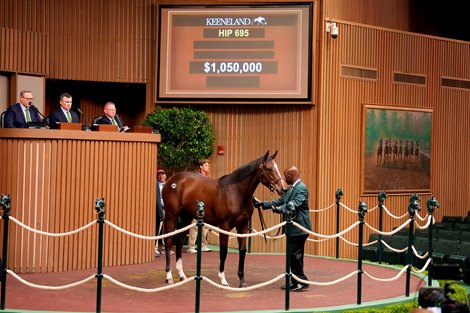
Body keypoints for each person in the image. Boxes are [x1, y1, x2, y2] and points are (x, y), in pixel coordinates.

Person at [254, 166, 312, 292]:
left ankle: (301, 281)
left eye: (286, 176)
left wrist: (279, 209)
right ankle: (296, 281)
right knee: (294, 256)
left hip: (299, 228)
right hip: (293, 228)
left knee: (294, 255)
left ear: (292, 175)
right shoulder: (291, 188)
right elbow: (281, 201)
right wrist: (262, 204)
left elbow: (294, 204)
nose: (284, 178)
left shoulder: (301, 188)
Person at [187, 159, 212, 254]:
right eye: (206, 165)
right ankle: (191, 246)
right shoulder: (197, 177)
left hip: (206, 205)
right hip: (197, 205)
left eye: (208, 165)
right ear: (201, 167)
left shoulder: (208, 178)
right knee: (194, 226)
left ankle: (203, 245)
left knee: (205, 226)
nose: (208, 167)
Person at [155, 169, 167, 257]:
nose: (161, 176)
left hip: (167, 208)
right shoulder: (156, 185)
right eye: (159, 174)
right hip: (160, 208)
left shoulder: (168, 185)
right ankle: (155, 248)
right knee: (158, 229)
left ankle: (164, 247)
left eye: (162, 174)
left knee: (166, 229)